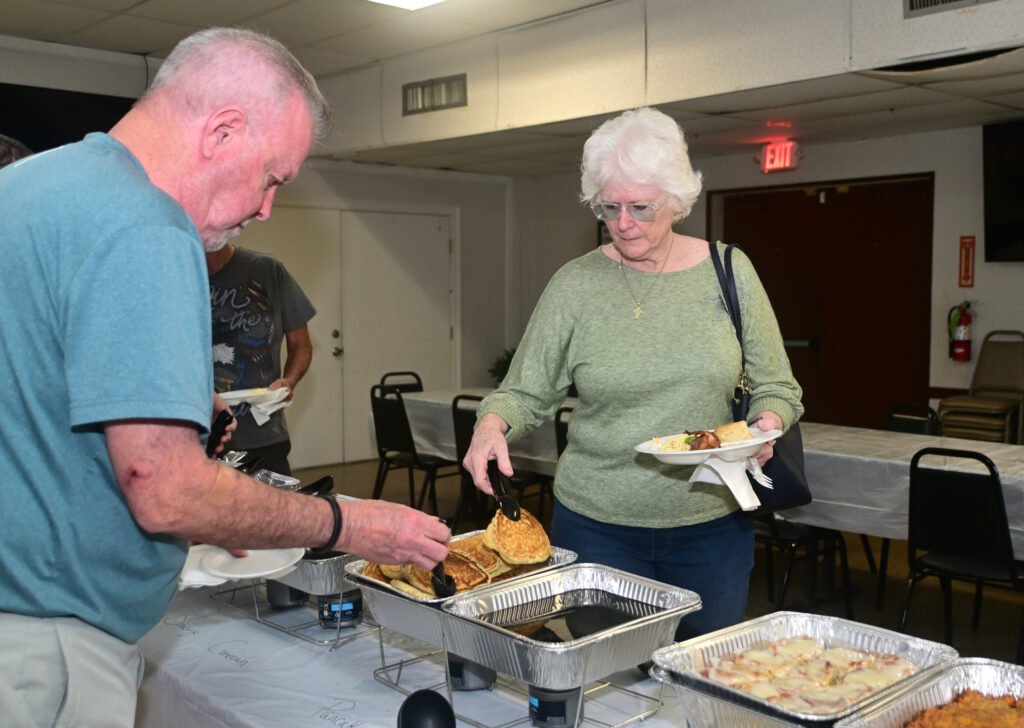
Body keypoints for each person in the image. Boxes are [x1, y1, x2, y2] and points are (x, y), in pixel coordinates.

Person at [0, 27, 449, 726]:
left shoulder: (30, 186)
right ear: (223, 130)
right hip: (45, 638)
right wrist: (347, 523)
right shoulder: (146, 226)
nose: (267, 208)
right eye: (274, 176)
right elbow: (166, 491)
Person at [463, 107, 803, 642]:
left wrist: (763, 427)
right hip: (598, 528)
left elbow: (777, 386)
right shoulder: (574, 285)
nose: (623, 223)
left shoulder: (729, 270)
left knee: (703, 679)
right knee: (612, 686)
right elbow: (526, 390)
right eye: (609, 207)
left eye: (641, 207)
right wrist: (491, 427)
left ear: (677, 199)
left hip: (709, 527)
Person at [208, 243, 314, 475]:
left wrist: (289, 380)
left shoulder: (268, 270)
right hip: (203, 441)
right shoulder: (175, 278)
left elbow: (301, 345)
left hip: (264, 434)